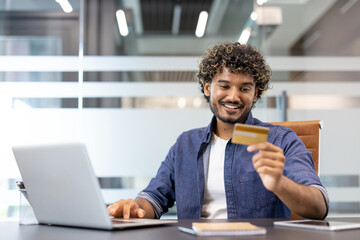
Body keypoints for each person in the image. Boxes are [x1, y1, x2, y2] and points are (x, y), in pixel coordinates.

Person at [107, 42, 329, 220]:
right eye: (224, 86)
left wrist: (281, 184)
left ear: (255, 93)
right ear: (207, 87)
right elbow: (155, 198)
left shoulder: (280, 140)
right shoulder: (186, 143)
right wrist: (133, 208)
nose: (233, 97)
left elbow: (318, 207)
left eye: (244, 88)